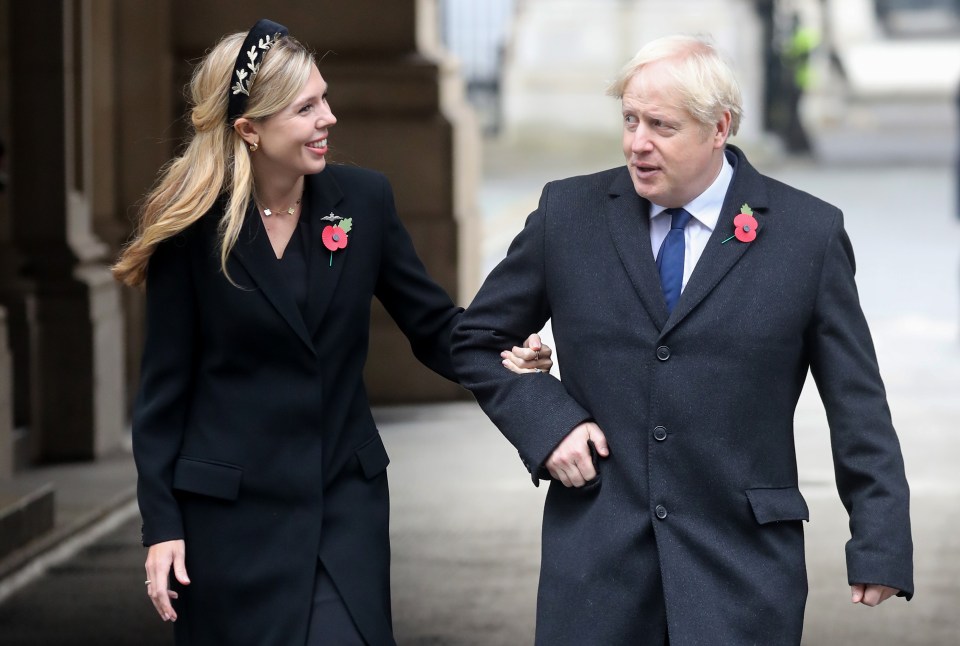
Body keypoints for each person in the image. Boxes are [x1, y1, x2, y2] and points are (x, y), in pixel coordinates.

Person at [452, 35, 913, 645]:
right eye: (630, 120)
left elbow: (857, 402)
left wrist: (878, 538)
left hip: (742, 568)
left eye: (661, 126)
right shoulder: (568, 215)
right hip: (596, 566)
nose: (637, 143)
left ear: (719, 127)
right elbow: (476, 340)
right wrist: (548, 419)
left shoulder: (808, 235)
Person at [112, 19, 552, 645]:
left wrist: (505, 352)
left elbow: (432, 325)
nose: (330, 118)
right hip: (228, 523)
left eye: (325, 97)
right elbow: (162, 397)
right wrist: (161, 528)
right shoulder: (191, 234)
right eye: (307, 107)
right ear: (250, 130)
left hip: (341, 509)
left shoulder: (363, 201)